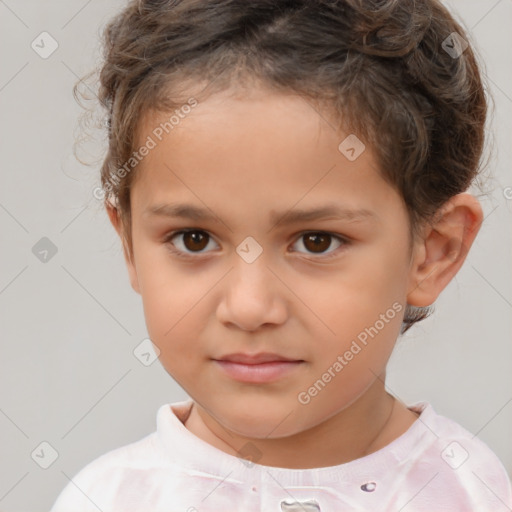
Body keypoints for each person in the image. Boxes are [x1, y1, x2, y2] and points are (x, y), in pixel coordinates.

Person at [51, 0, 512, 510]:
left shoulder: (475, 494)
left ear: (433, 252)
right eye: (194, 239)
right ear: (130, 245)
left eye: (317, 241)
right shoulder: (105, 500)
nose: (249, 308)